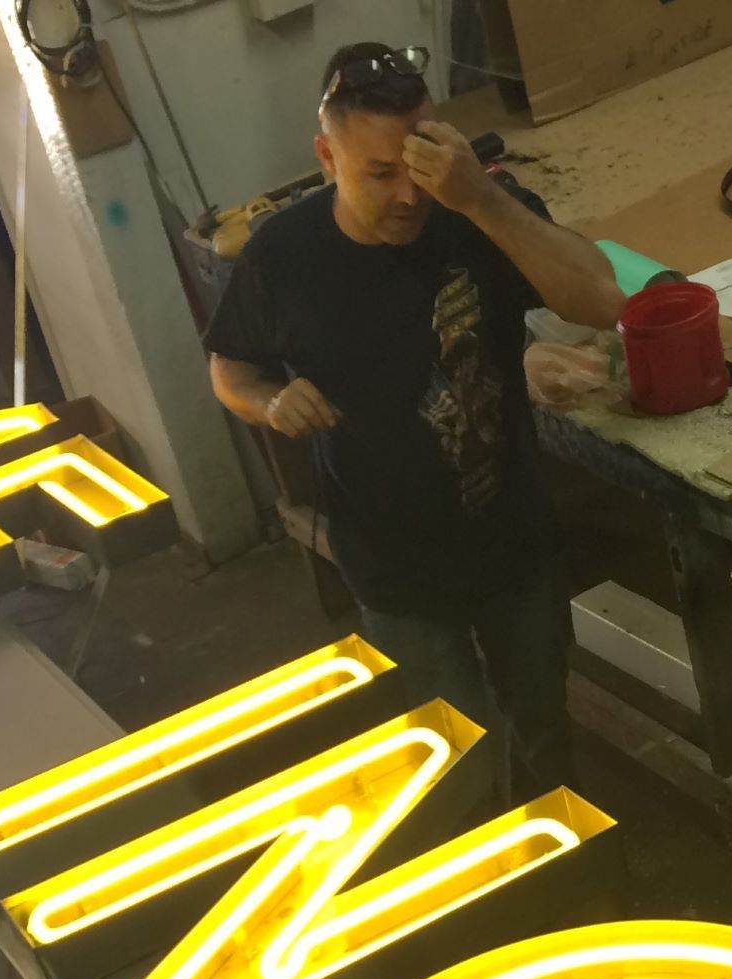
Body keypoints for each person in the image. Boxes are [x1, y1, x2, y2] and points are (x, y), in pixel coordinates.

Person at [204, 42, 623, 789]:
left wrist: (478, 198)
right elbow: (230, 366)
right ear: (326, 158)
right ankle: (487, 886)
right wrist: (270, 400)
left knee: (544, 741)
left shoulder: (471, 211)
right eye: (379, 174)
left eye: (419, 167)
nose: (407, 195)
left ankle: (565, 869)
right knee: (451, 760)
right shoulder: (285, 255)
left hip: (514, 543)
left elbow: (599, 298)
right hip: (395, 566)